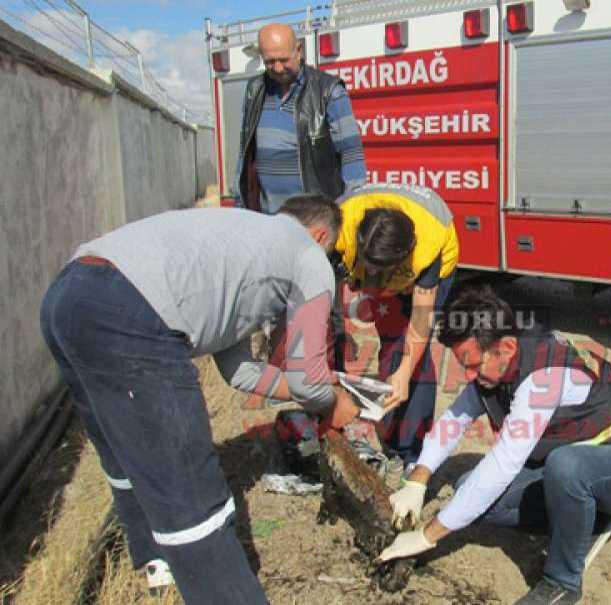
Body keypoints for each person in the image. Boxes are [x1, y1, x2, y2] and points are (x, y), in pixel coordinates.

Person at [39, 195, 352, 604]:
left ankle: (156, 563)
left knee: (125, 452)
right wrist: (332, 401)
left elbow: (239, 371)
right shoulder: (308, 254)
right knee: (194, 497)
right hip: (128, 310)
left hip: (67, 296)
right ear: (320, 234)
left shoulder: (244, 244)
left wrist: (308, 388)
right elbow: (310, 381)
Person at [375, 285, 611, 604]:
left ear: (506, 347)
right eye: (465, 365)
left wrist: (426, 536)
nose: (470, 374)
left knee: (566, 468)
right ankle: (590, 524)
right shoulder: (499, 362)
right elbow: (455, 419)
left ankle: (562, 582)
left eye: (474, 365)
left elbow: (503, 462)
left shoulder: (543, 377)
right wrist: (417, 481)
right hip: (583, 461)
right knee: (473, 493)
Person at [332, 183, 460, 471]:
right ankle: (388, 439)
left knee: (414, 356)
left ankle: (413, 451)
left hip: (436, 270)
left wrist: (404, 372)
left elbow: (420, 318)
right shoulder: (340, 225)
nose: (379, 280)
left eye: (386, 272)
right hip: (367, 252)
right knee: (391, 342)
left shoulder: (430, 242)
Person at [237, 23, 365, 214]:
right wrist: (240, 204)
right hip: (267, 220)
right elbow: (245, 154)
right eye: (270, 61)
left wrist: (351, 210)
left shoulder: (328, 91)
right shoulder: (255, 90)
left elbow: (351, 153)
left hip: (314, 221)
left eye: (283, 59)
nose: (278, 68)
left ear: (298, 51)